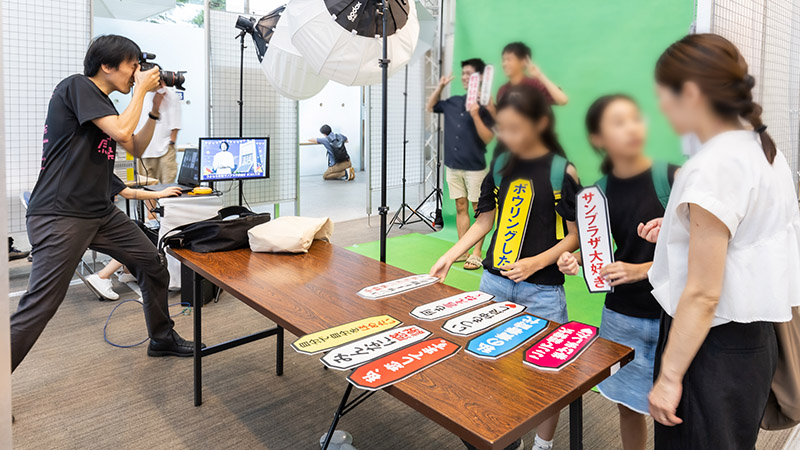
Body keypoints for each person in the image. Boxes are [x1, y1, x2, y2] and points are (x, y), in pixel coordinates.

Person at [642, 34, 800, 449]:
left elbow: (703, 294)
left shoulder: (712, 166)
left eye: (664, 95)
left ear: (690, 93)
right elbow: (748, 237)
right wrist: (679, 229)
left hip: (710, 346)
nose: (661, 106)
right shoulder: (764, 151)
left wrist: (669, 377)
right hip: (752, 342)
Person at [11, 35, 199, 374]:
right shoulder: (77, 86)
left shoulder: (105, 105)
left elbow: (135, 146)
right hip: (61, 213)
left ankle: (161, 338)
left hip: (100, 212)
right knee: (40, 304)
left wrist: (154, 109)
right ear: (106, 65)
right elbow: (123, 132)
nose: (137, 73)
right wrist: (141, 91)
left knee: (152, 263)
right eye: (133, 65)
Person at [430, 85, 581, 450]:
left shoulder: (562, 171)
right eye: (504, 129)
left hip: (542, 292)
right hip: (494, 286)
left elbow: (576, 236)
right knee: (488, 364)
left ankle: (542, 445)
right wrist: (451, 254)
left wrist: (536, 263)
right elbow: (485, 220)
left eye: (515, 128)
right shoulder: (499, 165)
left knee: (545, 377)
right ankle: (503, 435)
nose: (507, 137)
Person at [558, 95, 678, 450]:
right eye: (618, 123)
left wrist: (643, 270)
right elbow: (598, 250)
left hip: (672, 316)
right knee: (629, 407)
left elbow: (701, 253)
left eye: (635, 119)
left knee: (678, 411)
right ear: (598, 138)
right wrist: (574, 260)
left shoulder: (673, 176)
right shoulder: (597, 192)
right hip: (621, 316)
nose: (631, 128)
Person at [426, 58, 495, 270]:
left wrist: (478, 111)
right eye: (463, 73)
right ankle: (462, 250)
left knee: (479, 210)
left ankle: (476, 253)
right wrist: (440, 86)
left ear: (480, 78)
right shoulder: (454, 101)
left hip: (475, 166)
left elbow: (489, 137)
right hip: (453, 165)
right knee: (460, 206)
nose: (465, 77)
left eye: (469, 74)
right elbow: (431, 106)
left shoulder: (486, 104)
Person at [86, 176, 182, 301]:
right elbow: (128, 193)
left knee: (138, 226)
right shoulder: (97, 169)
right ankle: (102, 276)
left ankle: (128, 272)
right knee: (136, 235)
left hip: (88, 223)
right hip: (94, 227)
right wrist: (160, 193)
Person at [496, 42, 568, 106]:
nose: (504, 64)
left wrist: (540, 75)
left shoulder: (535, 85)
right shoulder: (502, 91)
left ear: (524, 61)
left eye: (509, 59)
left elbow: (563, 100)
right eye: (503, 60)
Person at [137, 86, 181, 184]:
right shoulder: (142, 95)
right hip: (145, 150)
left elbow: (176, 123)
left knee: (168, 185)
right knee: (147, 187)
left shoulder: (171, 95)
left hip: (165, 149)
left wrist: (171, 142)